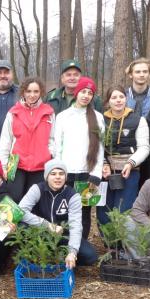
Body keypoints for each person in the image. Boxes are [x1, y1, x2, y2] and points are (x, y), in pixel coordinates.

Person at [19, 159, 98, 268]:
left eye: (61, 174)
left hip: (63, 236)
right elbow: (21, 211)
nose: (58, 177)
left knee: (91, 256)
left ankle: (63, 260)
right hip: (40, 234)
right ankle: (38, 257)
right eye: (53, 174)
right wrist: (47, 225)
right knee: (21, 227)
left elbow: (75, 225)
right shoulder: (37, 189)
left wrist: (72, 252)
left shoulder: (72, 195)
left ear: (65, 177)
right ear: (47, 176)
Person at [54, 76, 105, 239]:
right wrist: (58, 171)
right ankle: (64, 246)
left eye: (90, 93)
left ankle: (80, 248)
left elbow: (100, 148)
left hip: (86, 174)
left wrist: (96, 174)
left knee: (84, 214)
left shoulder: (97, 117)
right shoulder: (63, 116)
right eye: (83, 91)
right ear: (76, 92)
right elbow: (57, 145)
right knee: (63, 212)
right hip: (66, 173)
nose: (86, 95)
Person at [97, 86, 149, 225]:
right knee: (104, 211)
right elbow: (96, 146)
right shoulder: (101, 120)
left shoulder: (139, 120)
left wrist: (131, 163)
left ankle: (121, 245)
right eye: (114, 98)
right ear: (108, 101)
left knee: (123, 210)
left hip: (129, 172)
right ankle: (109, 243)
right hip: (105, 173)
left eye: (121, 97)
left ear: (126, 98)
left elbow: (144, 147)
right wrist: (103, 164)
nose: (118, 100)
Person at [0, 77, 55, 203]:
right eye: (28, 91)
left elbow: (52, 139)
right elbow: (5, 141)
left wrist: (49, 155)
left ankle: (31, 224)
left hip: (40, 165)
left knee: (34, 201)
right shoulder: (13, 112)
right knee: (14, 198)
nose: (32, 95)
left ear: (41, 93)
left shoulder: (49, 113)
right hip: (17, 164)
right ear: (23, 92)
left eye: (36, 91)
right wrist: (3, 165)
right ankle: (12, 223)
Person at [126, 58, 150, 186]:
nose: (141, 74)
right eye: (138, 72)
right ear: (131, 74)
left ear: (149, 74)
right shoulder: (122, 97)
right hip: (127, 148)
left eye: (145, 71)